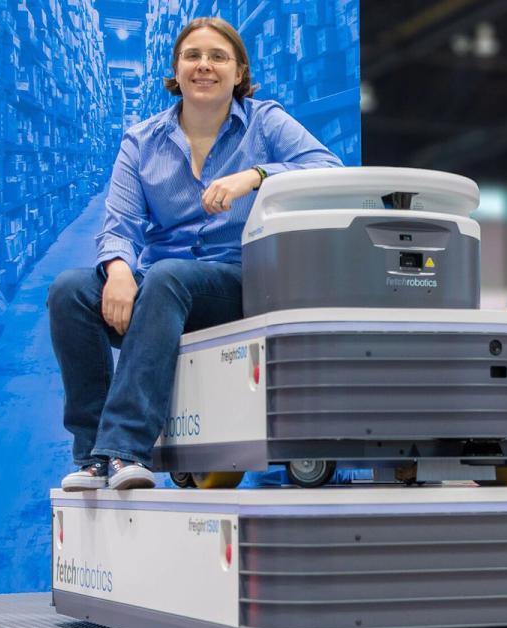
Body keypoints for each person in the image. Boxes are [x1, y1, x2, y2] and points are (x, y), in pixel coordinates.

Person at [48, 17, 342, 490]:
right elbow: (119, 223)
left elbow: (328, 168)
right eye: (193, 56)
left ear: (239, 72)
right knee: (70, 291)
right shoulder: (141, 141)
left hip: (236, 283)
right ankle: (92, 457)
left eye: (218, 57)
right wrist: (119, 269)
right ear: (177, 70)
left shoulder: (265, 122)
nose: (205, 66)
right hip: (162, 290)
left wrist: (257, 176)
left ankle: (125, 450)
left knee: (166, 275)